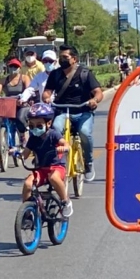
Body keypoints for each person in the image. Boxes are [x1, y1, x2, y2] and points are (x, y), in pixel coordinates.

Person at [42, 45, 103, 180]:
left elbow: (98, 92)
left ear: (74, 59)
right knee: (56, 128)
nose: (62, 60)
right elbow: (47, 91)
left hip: (83, 111)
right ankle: (55, 161)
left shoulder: (85, 74)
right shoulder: (55, 74)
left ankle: (88, 162)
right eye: (61, 57)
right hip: (62, 110)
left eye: (65, 57)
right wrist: (46, 97)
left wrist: (94, 100)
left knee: (84, 132)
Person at [17, 103, 72, 217]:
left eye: (39, 125)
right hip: (41, 169)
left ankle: (66, 201)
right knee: (28, 184)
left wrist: (64, 147)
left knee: (54, 178)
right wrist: (18, 154)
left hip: (57, 168)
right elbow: (26, 153)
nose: (35, 129)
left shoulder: (53, 134)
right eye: (31, 126)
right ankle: (27, 212)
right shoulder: (32, 138)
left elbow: (65, 144)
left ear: (48, 123)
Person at [0, 58, 30, 144]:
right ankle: (0, 140)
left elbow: (28, 90)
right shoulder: (4, 80)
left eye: (15, 67)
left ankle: (22, 135)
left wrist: (23, 99)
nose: (13, 69)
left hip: (21, 104)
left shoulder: (24, 78)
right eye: (11, 66)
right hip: (8, 104)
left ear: (19, 68)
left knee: (20, 118)